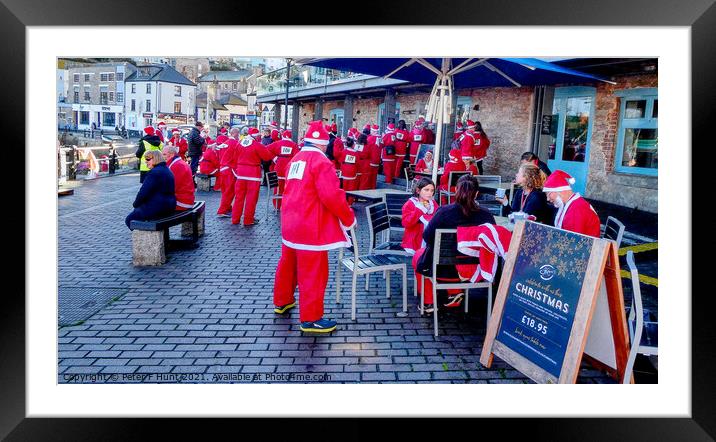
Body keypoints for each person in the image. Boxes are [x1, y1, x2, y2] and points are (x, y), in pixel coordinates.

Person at [272, 121, 356, 333]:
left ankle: (283, 301)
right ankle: (311, 319)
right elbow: (331, 196)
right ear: (324, 143)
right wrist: (348, 219)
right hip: (310, 226)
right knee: (314, 273)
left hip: (290, 222)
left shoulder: (296, 159)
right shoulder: (321, 162)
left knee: (287, 264)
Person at [413, 174, 496, 312]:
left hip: (444, 269)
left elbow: (427, 237)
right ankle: (454, 294)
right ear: (476, 194)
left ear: (456, 190)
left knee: (419, 256)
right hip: (478, 269)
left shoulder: (444, 212)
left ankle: (428, 303)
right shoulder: (486, 215)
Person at [232, 127, 276, 226]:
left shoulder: (239, 143)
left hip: (241, 173)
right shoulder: (257, 145)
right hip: (253, 174)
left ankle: (235, 219)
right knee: (251, 198)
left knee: (239, 197)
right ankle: (248, 220)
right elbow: (267, 156)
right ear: (256, 136)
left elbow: (235, 158)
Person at [125, 150, 176, 229]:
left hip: (158, 207)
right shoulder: (167, 170)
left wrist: (135, 204)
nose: (146, 162)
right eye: (145, 159)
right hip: (169, 206)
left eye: (148, 159)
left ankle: (144, 240)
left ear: (156, 159)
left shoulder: (154, 173)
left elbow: (143, 193)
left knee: (129, 220)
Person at [543, 170, 601, 237]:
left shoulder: (576, 209)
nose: (547, 199)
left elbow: (572, 240)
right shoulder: (573, 204)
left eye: (548, 194)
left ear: (559, 191)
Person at [401, 177, 437, 255]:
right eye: (426, 190)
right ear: (418, 190)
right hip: (413, 242)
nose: (429, 193)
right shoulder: (410, 204)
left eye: (432, 190)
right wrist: (420, 209)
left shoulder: (433, 203)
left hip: (429, 240)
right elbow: (406, 223)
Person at [267, 129, 299, 209]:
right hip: (289, 168)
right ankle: (286, 205)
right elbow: (297, 156)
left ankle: (277, 205)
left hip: (278, 167)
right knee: (288, 187)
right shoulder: (294, 145)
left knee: (277, 187)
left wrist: (274, 158)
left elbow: (266, 149)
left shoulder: (277, 143)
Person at [163, 145, 195, 211]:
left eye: (164, 154)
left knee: (152, 203)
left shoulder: (177, 165)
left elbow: (171, 187)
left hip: (182, 202)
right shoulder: (178, 163)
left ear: (172, 155)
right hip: (185, 199)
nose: (162, 157)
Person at [336, 130, 360, 205]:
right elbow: (358, 163)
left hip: (344, 171)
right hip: (352, 171)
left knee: (344, 188)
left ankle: (344, 202)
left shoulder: (344, 152)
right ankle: (350, 203)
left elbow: (340, 160)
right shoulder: (356, 153)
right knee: (351, 188)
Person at [216, 137, 239, 217]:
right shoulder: (234, 143)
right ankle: (223, 210)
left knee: (225, 190)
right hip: (229, 169)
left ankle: (228, 208)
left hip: (222, 168)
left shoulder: (225, 143)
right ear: (236, 134)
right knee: (229, 191)